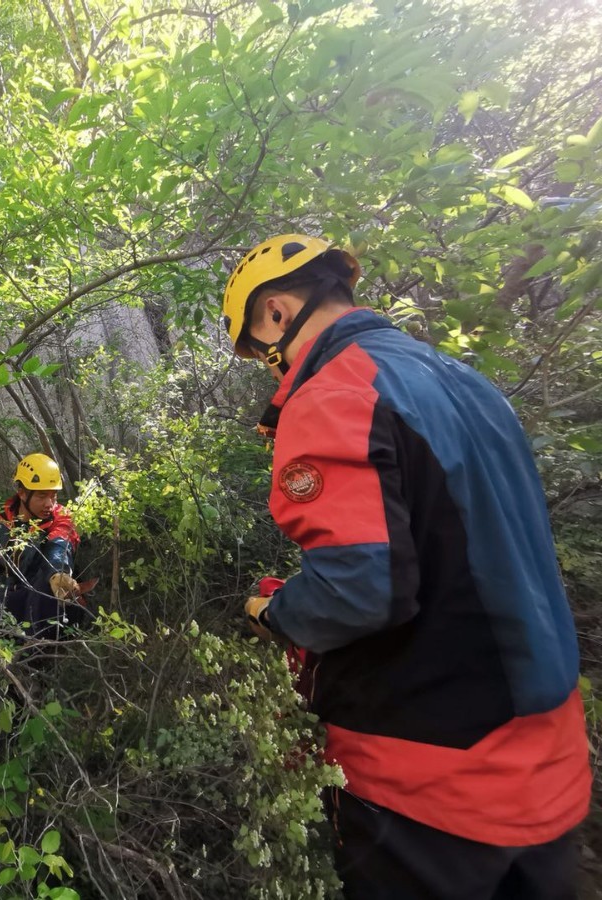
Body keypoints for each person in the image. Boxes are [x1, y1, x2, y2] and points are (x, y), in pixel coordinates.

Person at [223, 233, 591, 899]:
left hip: (430, 780)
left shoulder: (333, 394)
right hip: (547, 756)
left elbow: (360, 593)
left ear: (276, 312)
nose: (271, 367)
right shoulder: (459, 379)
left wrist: (279, 612)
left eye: (261, 348)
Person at [0, 453, 88, 640]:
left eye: (53, 496)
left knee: (43, 588)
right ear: (22, 493)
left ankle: (30, 657)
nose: (49, 504)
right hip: (12, 598)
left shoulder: (62, 518)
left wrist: (57, 573)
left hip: (46, 602)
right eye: (42, 496)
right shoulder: (4, 520)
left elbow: (59, 547)